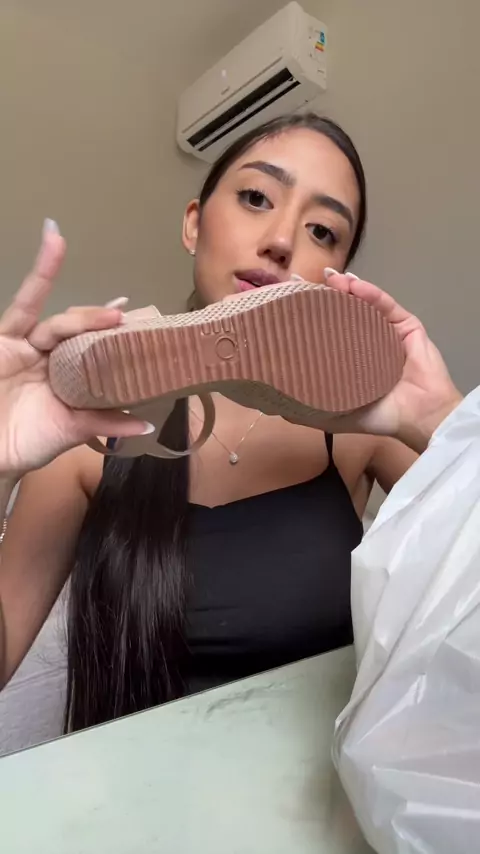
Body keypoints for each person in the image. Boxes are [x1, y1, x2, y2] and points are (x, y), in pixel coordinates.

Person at [0, 115, 462, 739]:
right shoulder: (86, 439)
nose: (281, 240)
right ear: (194, 224)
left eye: (322, 231)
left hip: (331, 786)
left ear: (338, 280)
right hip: (137, 792)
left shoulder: (360, 433)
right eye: (256, 198)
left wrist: (437, 418)